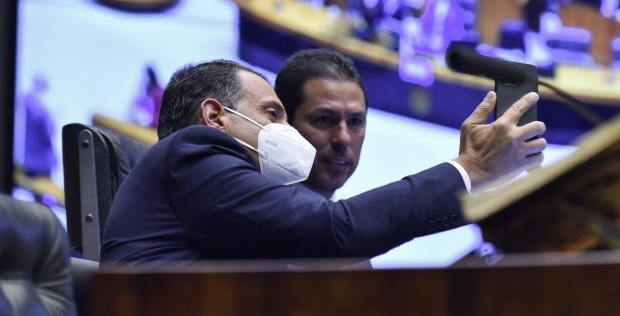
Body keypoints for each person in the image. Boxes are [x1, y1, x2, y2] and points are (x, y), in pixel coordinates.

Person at [101, 59, 546, 263]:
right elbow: (338, 231)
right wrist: (471, 169)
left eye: (357, 122)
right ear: (216, 116)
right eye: (273, 115)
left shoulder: (219, 194)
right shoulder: (194, 153)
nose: (286, 132)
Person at [274, 49, 366, 200]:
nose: (343, 139)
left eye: (355, 121)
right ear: (282, 123)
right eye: (324, 119)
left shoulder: (348, 219)